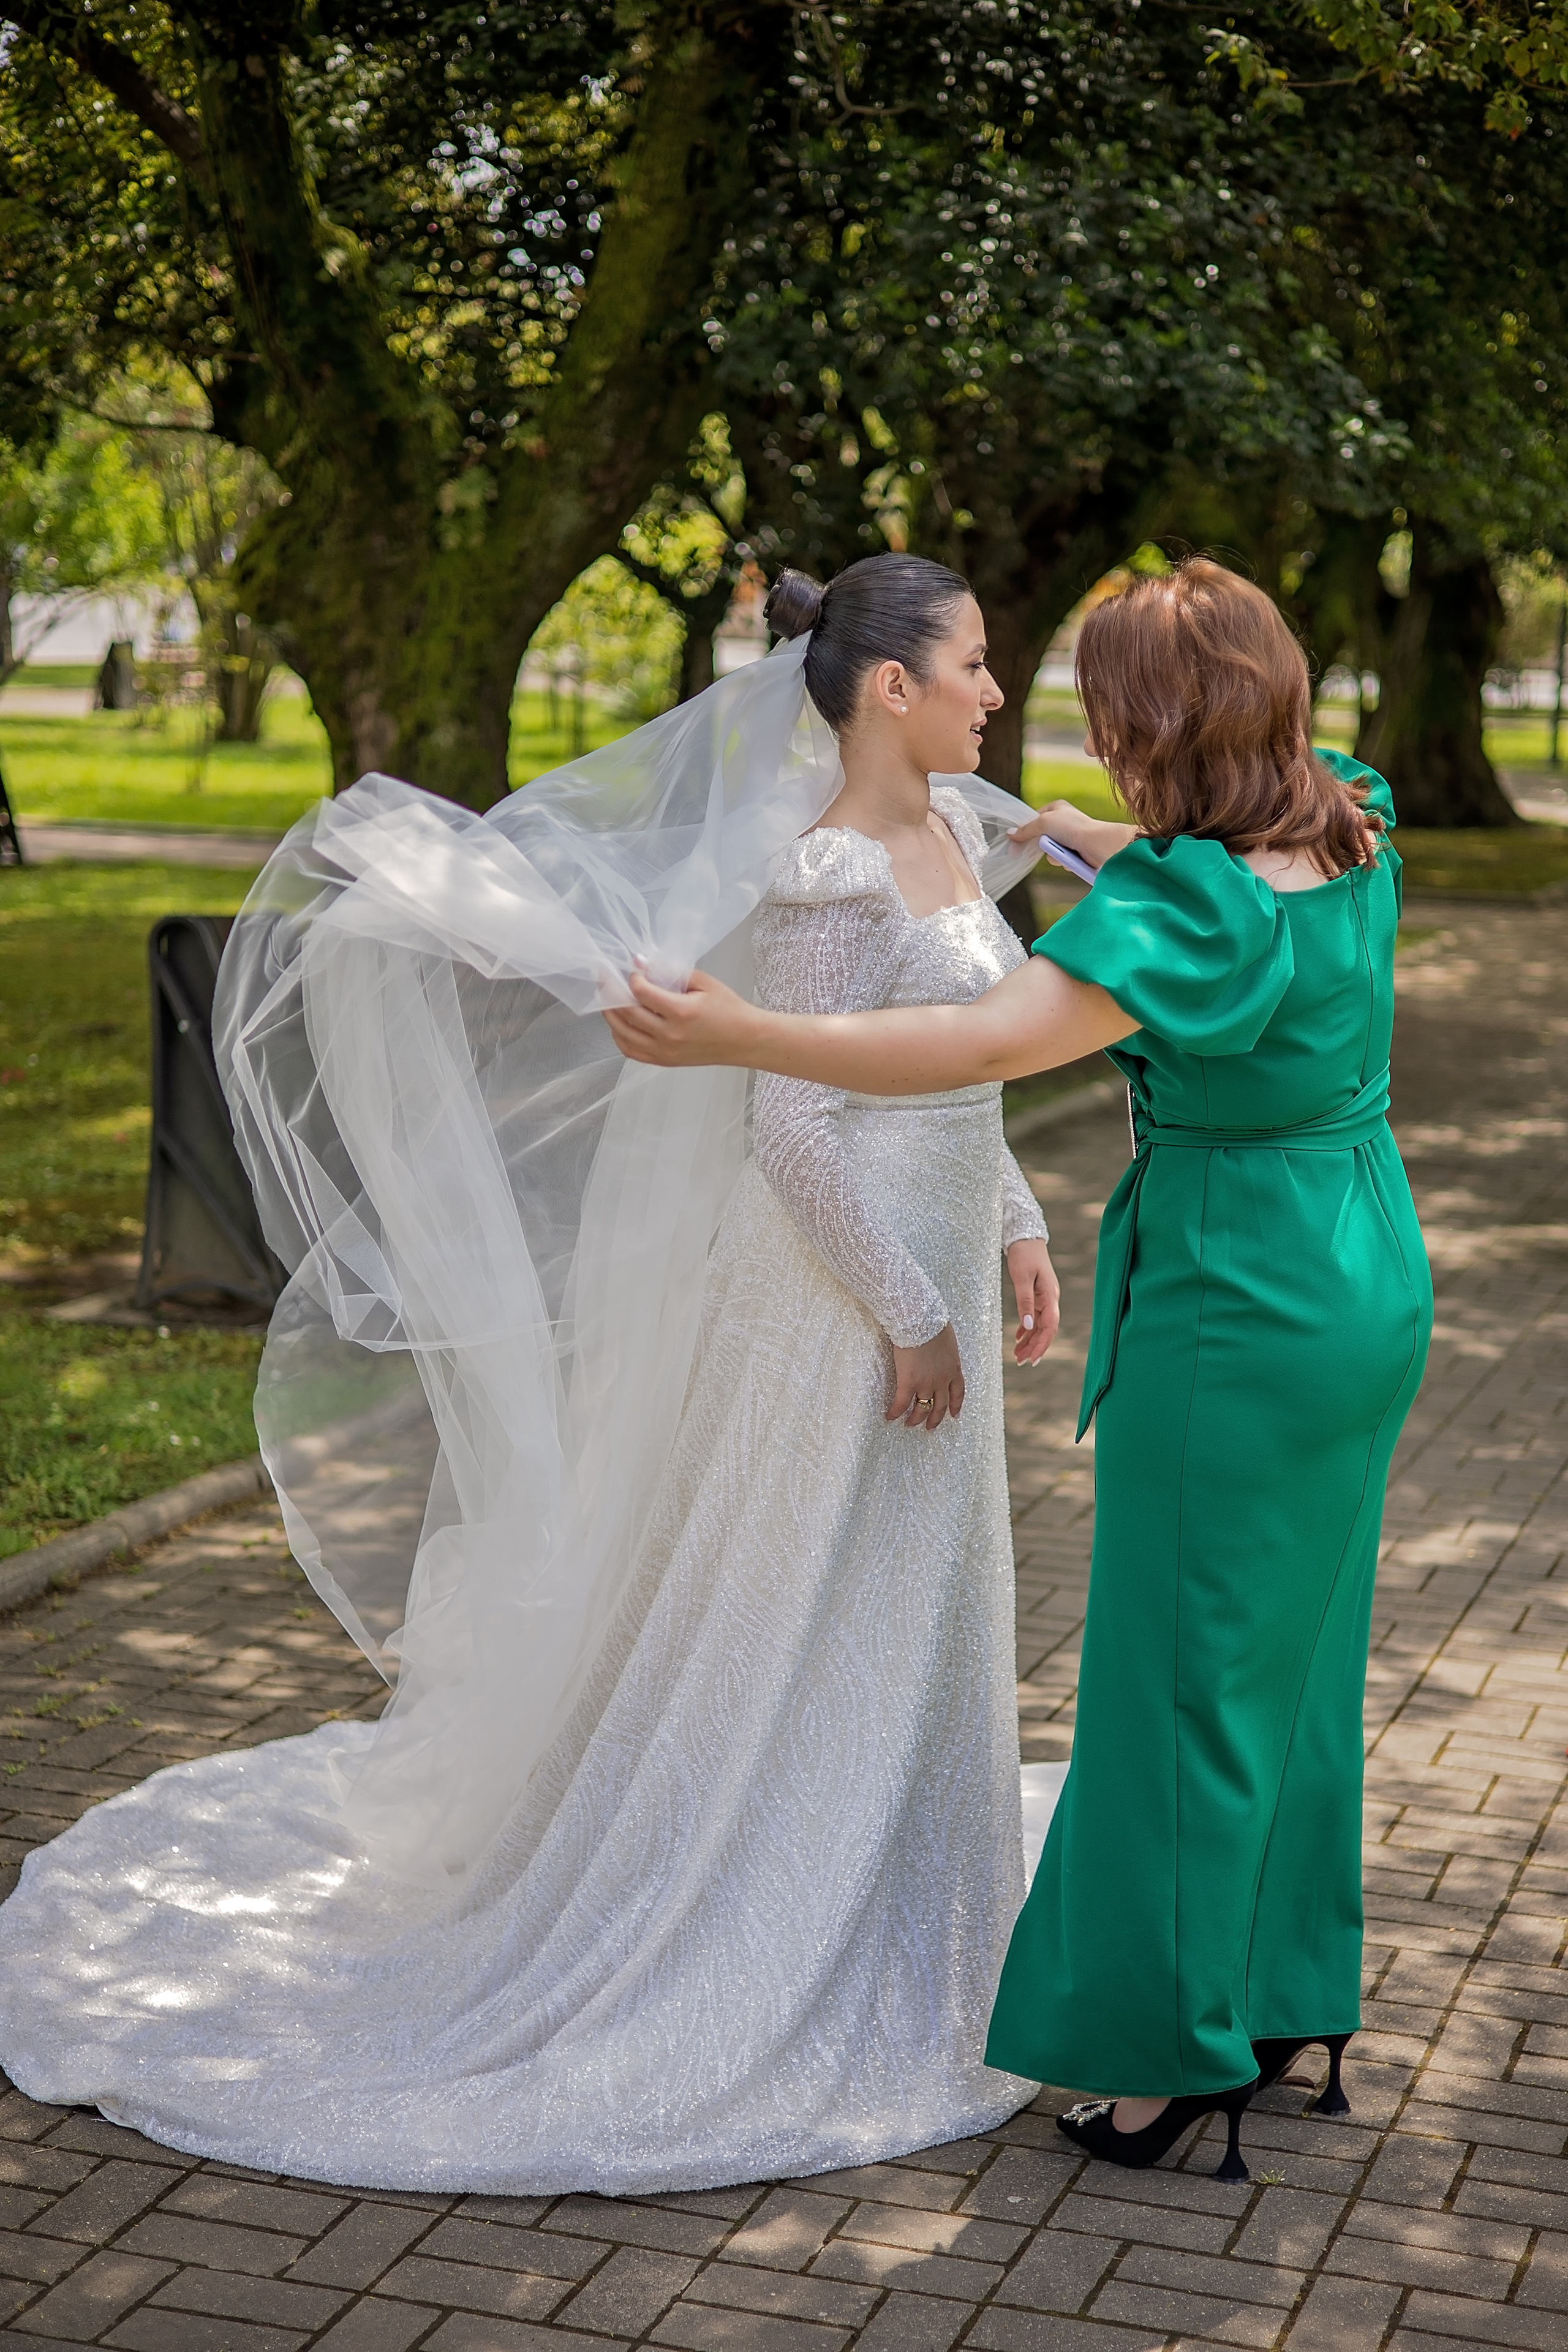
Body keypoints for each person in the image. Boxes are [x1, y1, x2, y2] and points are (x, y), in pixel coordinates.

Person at [0, 554, 1066, 2195]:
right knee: (806, 1593)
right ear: (887, 689)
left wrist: (1013, 1222)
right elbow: (795, 1123)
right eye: (977, 666)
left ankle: (920, 1894)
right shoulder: (838, 871)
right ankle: (770, 1905)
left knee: (913, 1595)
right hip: (836, 1303)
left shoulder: (955, 833)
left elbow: (961, 1073)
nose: (998, 694)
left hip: (921, 1277)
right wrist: (910, 1310)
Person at [606, 557, 1434, 2185]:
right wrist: (1073, 835)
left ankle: (1159, 2059)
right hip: (1365, 1266)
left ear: (1157, 726)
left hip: (1240, 1296)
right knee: (1299, 1654)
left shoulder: (1188, 913)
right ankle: (1275, 2002)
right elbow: (1205, 875)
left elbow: (985, 1048)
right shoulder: (1350, 810)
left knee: (1176, 1682)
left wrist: (745, 1036)